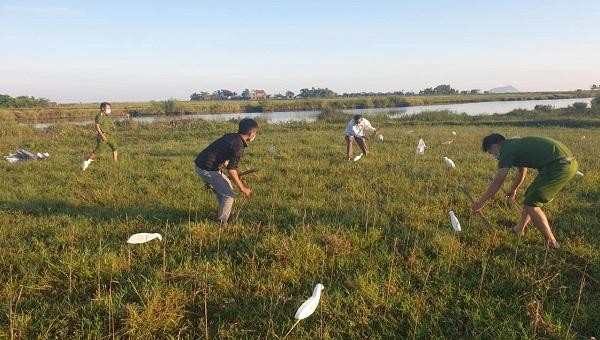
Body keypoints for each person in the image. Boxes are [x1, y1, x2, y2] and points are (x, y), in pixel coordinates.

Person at [473, 134, 578, 249]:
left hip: (559, 166)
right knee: (529, 197)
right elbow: (522, 170)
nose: (492, 155)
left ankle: (552, 243)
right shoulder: (514, 144)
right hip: (565, 163)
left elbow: (498, 181)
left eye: (489, 152)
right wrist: (513, 189)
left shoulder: (506, 151)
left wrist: (481, 202)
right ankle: (519, 229)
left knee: (531, 204)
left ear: (495, 146)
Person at [195, 118, 258, 224]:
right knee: (229, 195)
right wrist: (243, 188)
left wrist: (224, 161)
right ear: (251, 133)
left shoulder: (232, 136)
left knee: (225, 187)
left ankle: (224, 212)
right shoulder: (239, 146)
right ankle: (222, 222)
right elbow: (232, 170)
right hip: (207, 169)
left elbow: (220, 149)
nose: (255, 135)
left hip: (202, 164)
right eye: (255, 133)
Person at [82, 102, 118, 170]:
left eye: (110, 108)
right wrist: (102, 135)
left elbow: (109, 123)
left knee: (115, 147)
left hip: (109, 135)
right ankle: (86, 163)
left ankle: (115, 163)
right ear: (102, 108)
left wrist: (113, 127)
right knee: (97, 151)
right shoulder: (99, 116)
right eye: (107, 108)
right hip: (102, 136)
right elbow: (97, 126)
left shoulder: (106, 115)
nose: (109, 110)